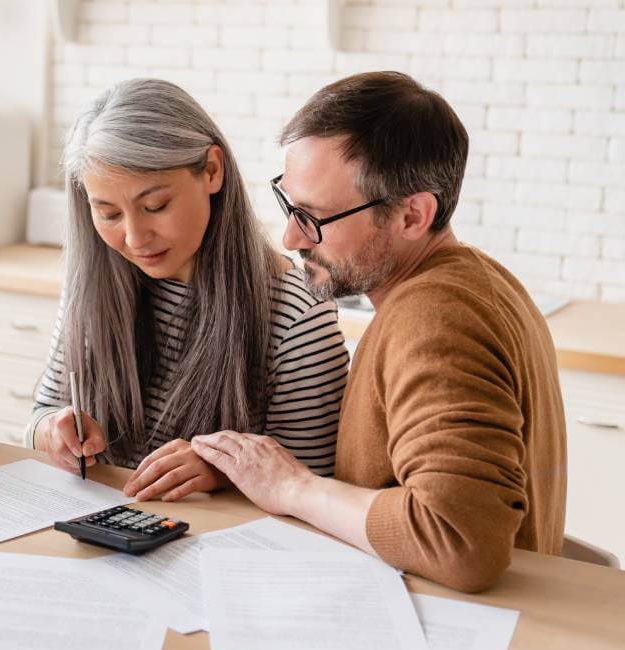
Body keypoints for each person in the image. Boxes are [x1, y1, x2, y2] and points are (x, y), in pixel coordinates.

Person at [190, 71, 566, 592]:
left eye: (314, 215)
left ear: (413, 215)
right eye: (289, 204)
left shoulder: (434, 319)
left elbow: (460, 541)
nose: (291, 236)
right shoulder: (482, 280)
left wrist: (293, 487)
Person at [26, 78, 350, 502]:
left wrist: (224, 471)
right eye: (107, 214)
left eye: (155, 206)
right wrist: (53, 431)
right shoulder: (92, 283)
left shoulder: (296, 313)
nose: (135, 238)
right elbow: (39, 416)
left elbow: (314, 485)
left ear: (212, 170)